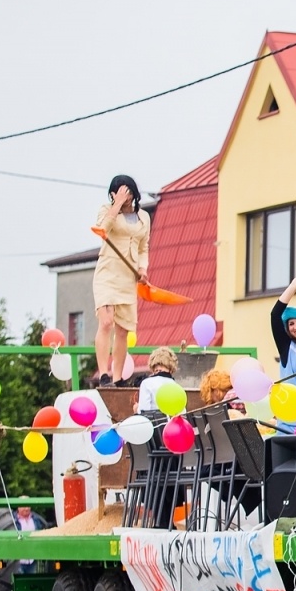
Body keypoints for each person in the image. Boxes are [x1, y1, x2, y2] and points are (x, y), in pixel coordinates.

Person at [93, 174, 151, 387]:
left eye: (127, 192)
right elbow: (102, 228)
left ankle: (117, 377)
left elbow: (144, 246)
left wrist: (143, 269)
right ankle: (103, 373)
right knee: (106, 321)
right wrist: (116, 204)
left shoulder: (144, 217)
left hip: (129, 277)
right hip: (108, 273)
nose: (124, 196)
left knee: (123, 329)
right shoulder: (106, 211)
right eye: (119, 192)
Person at [137, 347, 178, 413]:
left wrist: (136, 409)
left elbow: (144, 412)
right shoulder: (176, 386)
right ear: (171, 367)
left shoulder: (146, 383)